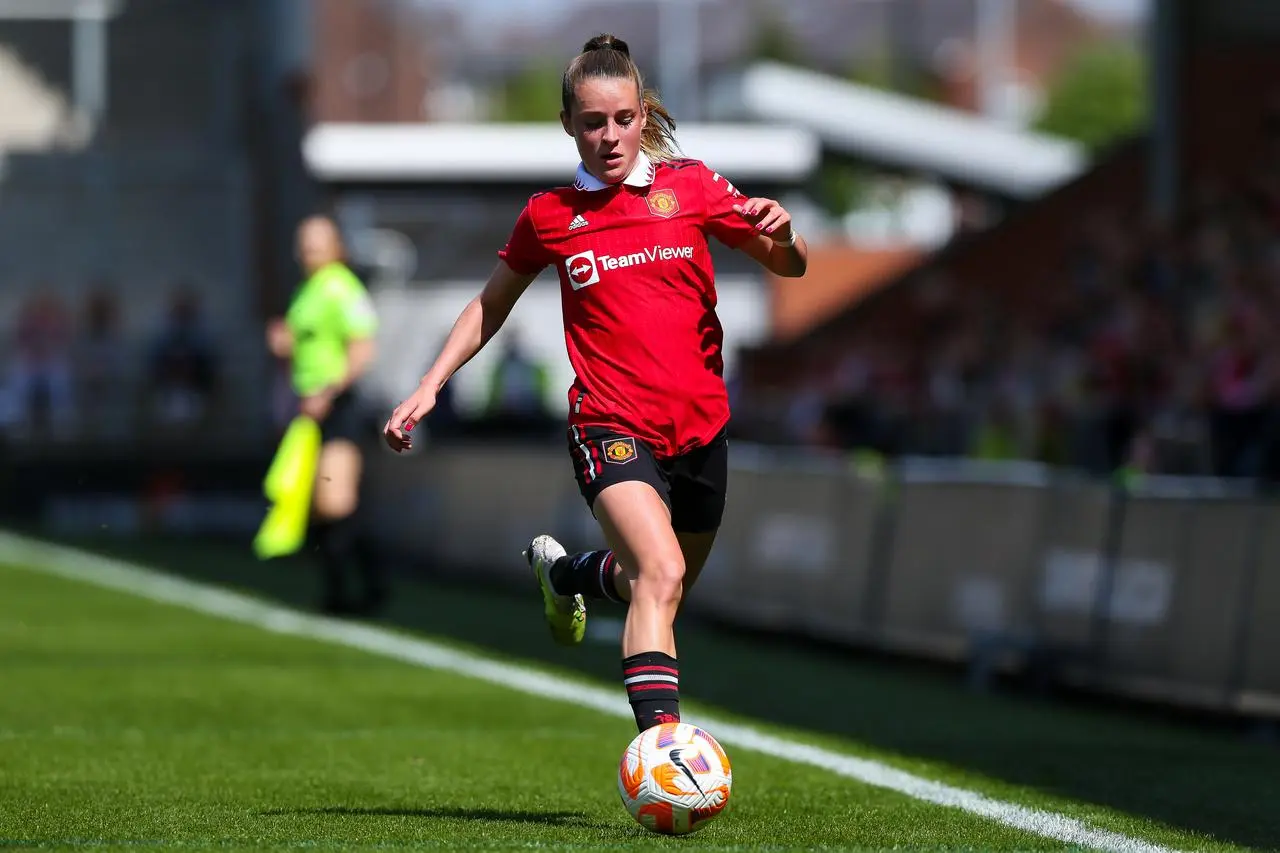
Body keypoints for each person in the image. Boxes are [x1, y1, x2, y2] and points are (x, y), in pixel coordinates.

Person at [383, 34, 807, 734]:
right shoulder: (550, 215)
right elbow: (490, 303)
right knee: (660, 572)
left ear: (643, 116)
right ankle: (662, 753)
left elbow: (787, 266)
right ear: (568, 125)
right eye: (591, 122)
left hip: (701, 427)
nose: (609, 136)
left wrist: (784, 236)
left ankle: (570, 576)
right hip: (609, 424)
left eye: (622, 119)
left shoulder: (693, 187)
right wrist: (429, 384)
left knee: (662, 584)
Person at [267, 215, 385, 616]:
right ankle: (340, 593)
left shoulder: (341, 287)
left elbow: (362, 350)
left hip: (339, 407)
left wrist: (329, 392)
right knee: (320, 504)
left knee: (335, 500)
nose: (308, 250)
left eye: (317, 242)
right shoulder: (306, 290)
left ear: (336, 247)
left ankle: (371, 586)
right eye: (304, 243)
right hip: (307, 410)